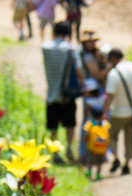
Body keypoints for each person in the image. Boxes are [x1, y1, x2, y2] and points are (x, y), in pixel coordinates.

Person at [42, 21, 84, 163]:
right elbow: (78, 69)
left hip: (51, 94)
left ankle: (54, 153)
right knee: (70, 124)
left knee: (53, 125)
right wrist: (83, 86)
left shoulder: (45, 48)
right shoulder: (71, 49)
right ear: (68, 33)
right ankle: (69, 148)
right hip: (67, 95)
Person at [103, 47, 132, 176]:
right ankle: (127, 163)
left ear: (114, 59)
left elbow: (110, 95)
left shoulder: (113, 74)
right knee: (129, 139)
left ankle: (116, 158)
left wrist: (105, 113)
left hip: (117, 113)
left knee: (112, 136)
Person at [82, 106, 109, 180]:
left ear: (91, 115)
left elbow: (86, 133)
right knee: (99, 161)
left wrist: (84, 139)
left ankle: (89, 171)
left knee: (90, 159)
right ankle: (98, 174)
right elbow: (107, 134)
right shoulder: (105, 124)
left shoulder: (90, 124)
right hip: (102, 147)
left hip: (92, 146)